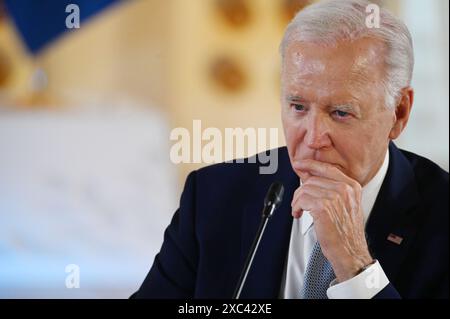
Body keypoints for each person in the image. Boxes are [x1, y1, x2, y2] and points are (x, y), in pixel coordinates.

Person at [133, 0, 448, 299]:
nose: (313, 139)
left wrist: (355, 267)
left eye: (340, 112)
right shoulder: (213, 196)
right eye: (298, 106)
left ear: (400, 112)